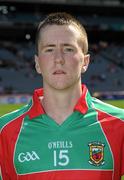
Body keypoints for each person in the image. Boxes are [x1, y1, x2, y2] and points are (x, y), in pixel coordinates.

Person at [0, 12, 124, 180]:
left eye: (68, 49)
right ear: (37, 63)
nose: (58, 59)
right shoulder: (5, 131)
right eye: (49, 49)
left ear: (85, 62)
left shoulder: (119, 125)